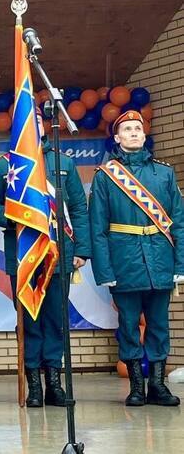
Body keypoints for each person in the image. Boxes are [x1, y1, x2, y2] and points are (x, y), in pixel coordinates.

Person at [0, 107, 90, 407]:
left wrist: (81, 249)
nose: (33, 125)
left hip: (58, 252)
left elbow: (78, 208)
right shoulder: (3, 166)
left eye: (38, 120)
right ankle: (34, 386)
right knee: (29, 320)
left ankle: (53, 383)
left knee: (55, 320)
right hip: (23, 254)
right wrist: (13, 219)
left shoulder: (62, 162)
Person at [89, 110, 183, 407]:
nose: (133, 133)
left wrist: (180, 264)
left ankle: (157, 386)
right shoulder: (106, 176)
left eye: (137, 129)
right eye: (127, 129)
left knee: (159, 325)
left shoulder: (164, 173)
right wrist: (104, 270)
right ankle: (136, 388)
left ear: (144, 135)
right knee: (129, 325)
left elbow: (179, 222)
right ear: (117, 138)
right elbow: (97, 228)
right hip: (124, 260)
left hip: (160, 259)